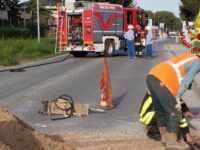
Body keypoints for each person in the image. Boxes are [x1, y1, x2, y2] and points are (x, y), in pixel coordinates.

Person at [145, 53, 200, 150]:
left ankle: (165, 139)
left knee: (161, 111)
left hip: (152, 76)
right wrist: (177, 97)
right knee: (174, 112)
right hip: (163, 79)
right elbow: (186, 81)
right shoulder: (198, 62)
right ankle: (172, 142)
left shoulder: (190, 56)